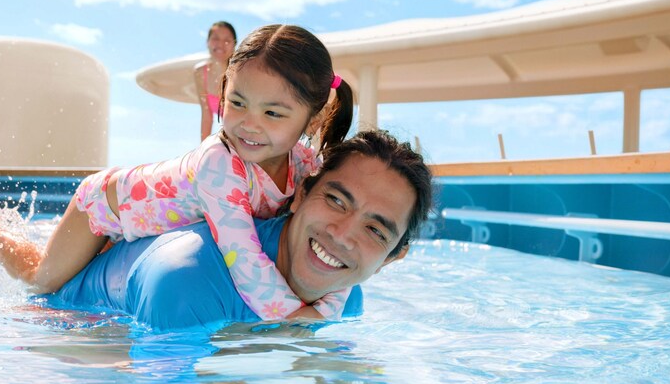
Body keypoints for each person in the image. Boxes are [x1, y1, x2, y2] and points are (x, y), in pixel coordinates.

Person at [0, 24, 356, 320]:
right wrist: (296, 317)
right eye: (237, 103)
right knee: (41, 279)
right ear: (223, 92)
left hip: (148, 224)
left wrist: (327, 307)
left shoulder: (307, 166)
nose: (248, 124)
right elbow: (243, 259)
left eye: (272, 113)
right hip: (106, 207)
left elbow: (341, 254)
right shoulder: (219, 164)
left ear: (314, 119)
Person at [42, 129, 434, 331]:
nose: (342, 235)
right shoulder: (186, 279)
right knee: (35, 275)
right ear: (300, 193)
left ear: (392, 258)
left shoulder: (345, 300)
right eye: (336, 201)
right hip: (67, 323)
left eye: (375, 231)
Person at [193, 21, 237, 141]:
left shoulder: (239, 74)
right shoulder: (200, 73)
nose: (220, 44)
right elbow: (206, 115)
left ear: (234, 45)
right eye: (216, 39)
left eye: (227, 40)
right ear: (208, 42)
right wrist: (203, 148)